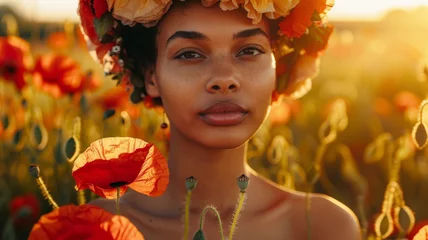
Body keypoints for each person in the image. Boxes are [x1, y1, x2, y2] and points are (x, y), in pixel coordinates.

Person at [78, 0, 362, 239]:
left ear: (278, 66)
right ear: (151, 76)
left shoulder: (322, 226)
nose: (224, 79)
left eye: (249, 50)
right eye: (190, 54)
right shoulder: (92, 229)